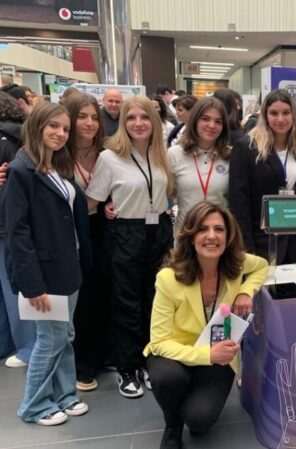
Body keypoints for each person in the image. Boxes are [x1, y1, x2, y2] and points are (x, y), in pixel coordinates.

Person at [144, 201, 268, 449]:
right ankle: (172, 425)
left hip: (218, 354)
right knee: (168, 379)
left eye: (219, 229)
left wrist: (246, 291)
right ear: (191, 237)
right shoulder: (168, 279)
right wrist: (206, 354)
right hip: (177, 353)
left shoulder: (236, 263)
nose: (212, 236)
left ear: (228, 236)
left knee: (199, 421)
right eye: (203, 229)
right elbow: (159, 342)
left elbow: (262, 266)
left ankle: (191, 403)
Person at [3, 102, 91, 425]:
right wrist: (32, 285)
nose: (60, 133)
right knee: (50, 339)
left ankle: (65, 395)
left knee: (65, 334)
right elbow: (17, 233)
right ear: (37, 126)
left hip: (67, 267)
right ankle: (34, 405)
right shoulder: (20, 171)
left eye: (65, 128)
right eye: (53, 126)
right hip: (44, 275)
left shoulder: (56, 166)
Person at [85, 95, 174, 399]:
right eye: (131, 117)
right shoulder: (110, 158)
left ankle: (149, 360)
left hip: (159, 230)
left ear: (154, 121)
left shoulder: (161, 155)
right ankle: (127, 367)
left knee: (156, 299)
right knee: (126, 302)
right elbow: (92, 201)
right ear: (122, 122)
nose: (138, 123)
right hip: (125, 233)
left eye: (145, 117)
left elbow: (167, 192)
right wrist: (107, 206)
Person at [62, 93, 111, 392]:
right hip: (71, 231)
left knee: (103, 292)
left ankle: (103, 354)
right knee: (81, 299)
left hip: (103, 228)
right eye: (82, 117)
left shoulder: (106, 152)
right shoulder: (58, 153)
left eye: (94, 117)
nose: (90, 123)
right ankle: (83, 364)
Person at [229, 89, 296, 263]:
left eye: (286, 113)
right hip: (261, 244)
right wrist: (246, 248)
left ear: (294, 115)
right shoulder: (246, 148)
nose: (280, 119)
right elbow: (239, 203)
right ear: (265, 116)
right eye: (274, 113)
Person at [0, 91, 34, 367]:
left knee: (12, 287)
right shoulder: (22, 138)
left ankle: (24, 346)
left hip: (8, 225)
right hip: (14, 224)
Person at [169, 97, 231, 233]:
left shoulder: (231, 156)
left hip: (219, 235)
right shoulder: (175, 154)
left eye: (218, 121)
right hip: (185, 234)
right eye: (205, 119)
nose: (212, 125)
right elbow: (168, 192)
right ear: (195, 121)